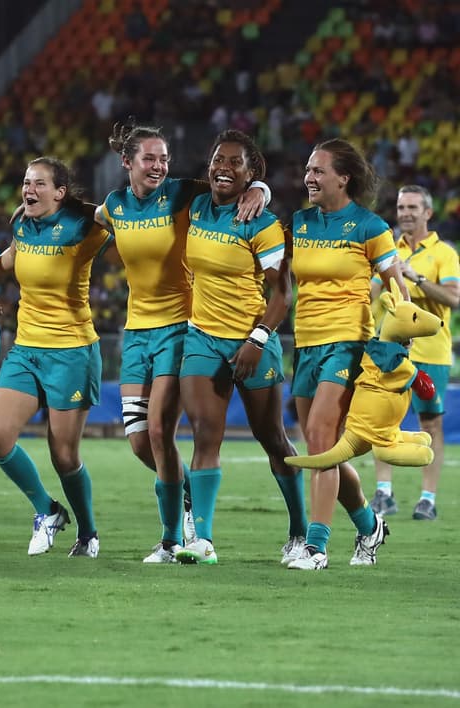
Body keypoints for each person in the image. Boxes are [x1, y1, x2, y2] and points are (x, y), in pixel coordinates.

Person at [95, 119, 268, 554]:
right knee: (139, 442)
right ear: (127, 162)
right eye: (149, 159)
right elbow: (89, 216)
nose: (158, 166)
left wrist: (259, 190)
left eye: (164, 159)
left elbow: (228, 183)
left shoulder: (182, 193)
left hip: (179, 329)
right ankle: (188, 492)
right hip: (135, 333)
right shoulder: (114, 205)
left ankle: (171, 539)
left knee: (159, 432)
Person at [171, 130, 306, 566]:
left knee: (273, 439)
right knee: (204, 435)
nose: (223, 167)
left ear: (252, 174)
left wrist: (257, 339)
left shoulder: (263, 225)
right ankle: (204, 540)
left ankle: (300, 531)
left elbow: (283, 296)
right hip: (202, 338)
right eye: (217, 159)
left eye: (235, 163)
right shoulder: (194, 206)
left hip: (254, 339)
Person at [287, 138, 406, 570]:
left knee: (320, 441)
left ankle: (315, 548)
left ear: (344, 178)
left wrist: (395, 340)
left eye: (318, 171)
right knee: (325, 448)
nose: (309, 178)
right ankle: (369, 525)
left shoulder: (368, 226)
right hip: (305, 344)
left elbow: (397, 286)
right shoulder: (299, 221)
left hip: (347, 342)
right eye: (307, 170)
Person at [0, 157, 109, 557]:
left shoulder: (84, 228)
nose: (29, 190)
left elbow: (119, 215)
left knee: (64, 455)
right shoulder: (22, 225)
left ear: (60, 192)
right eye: (25, 182)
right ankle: (47, 510)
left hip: (72, 353)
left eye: (39, 184)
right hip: (27, 350)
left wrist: (77, 207)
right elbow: (6, 263)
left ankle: (87, 533)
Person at [370, 185, 458, 522]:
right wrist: (383, 275)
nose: (405, 212)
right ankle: (383, 493)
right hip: (391, 349)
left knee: (430, 423)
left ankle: (427, 498)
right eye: (401, 206)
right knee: (380, 419)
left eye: (412, 207)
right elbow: (374, 294)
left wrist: (414, 276)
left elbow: (454, 298)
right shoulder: (388, 248)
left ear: (427, 213)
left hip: (431, 351)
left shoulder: (444, 254)